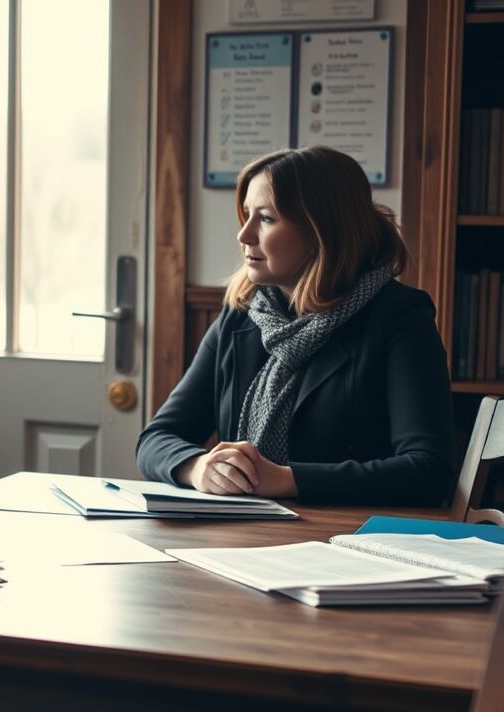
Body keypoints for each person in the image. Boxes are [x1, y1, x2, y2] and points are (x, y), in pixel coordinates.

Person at [136, 146, 454, 507]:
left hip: (351, 542)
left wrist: (287, 480)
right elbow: (156, 438)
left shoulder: (399, 317)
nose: (244, 235)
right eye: (246, 216)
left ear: (322, 231)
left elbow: (429, 472)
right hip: (243, 537)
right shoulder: (241, 315)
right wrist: (197, 468)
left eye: (267, 219)